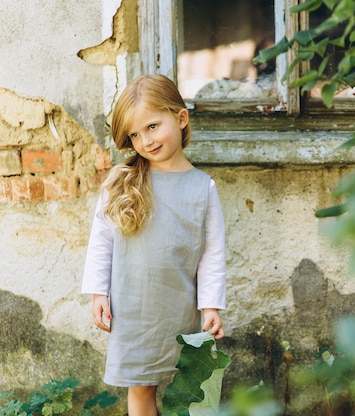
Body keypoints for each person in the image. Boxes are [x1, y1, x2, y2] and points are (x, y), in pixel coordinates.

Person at [81, 74, 226, 416]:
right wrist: (98, 293)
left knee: (191, 393)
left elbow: (212, 255)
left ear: (180, 118)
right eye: (135, 134)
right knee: (141, 389)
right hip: (134, 310)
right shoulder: (122, 181)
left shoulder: (203, 187)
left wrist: (211, 307)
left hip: (183, 308)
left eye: (152, 126)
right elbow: (101, 241)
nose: (145, 140)